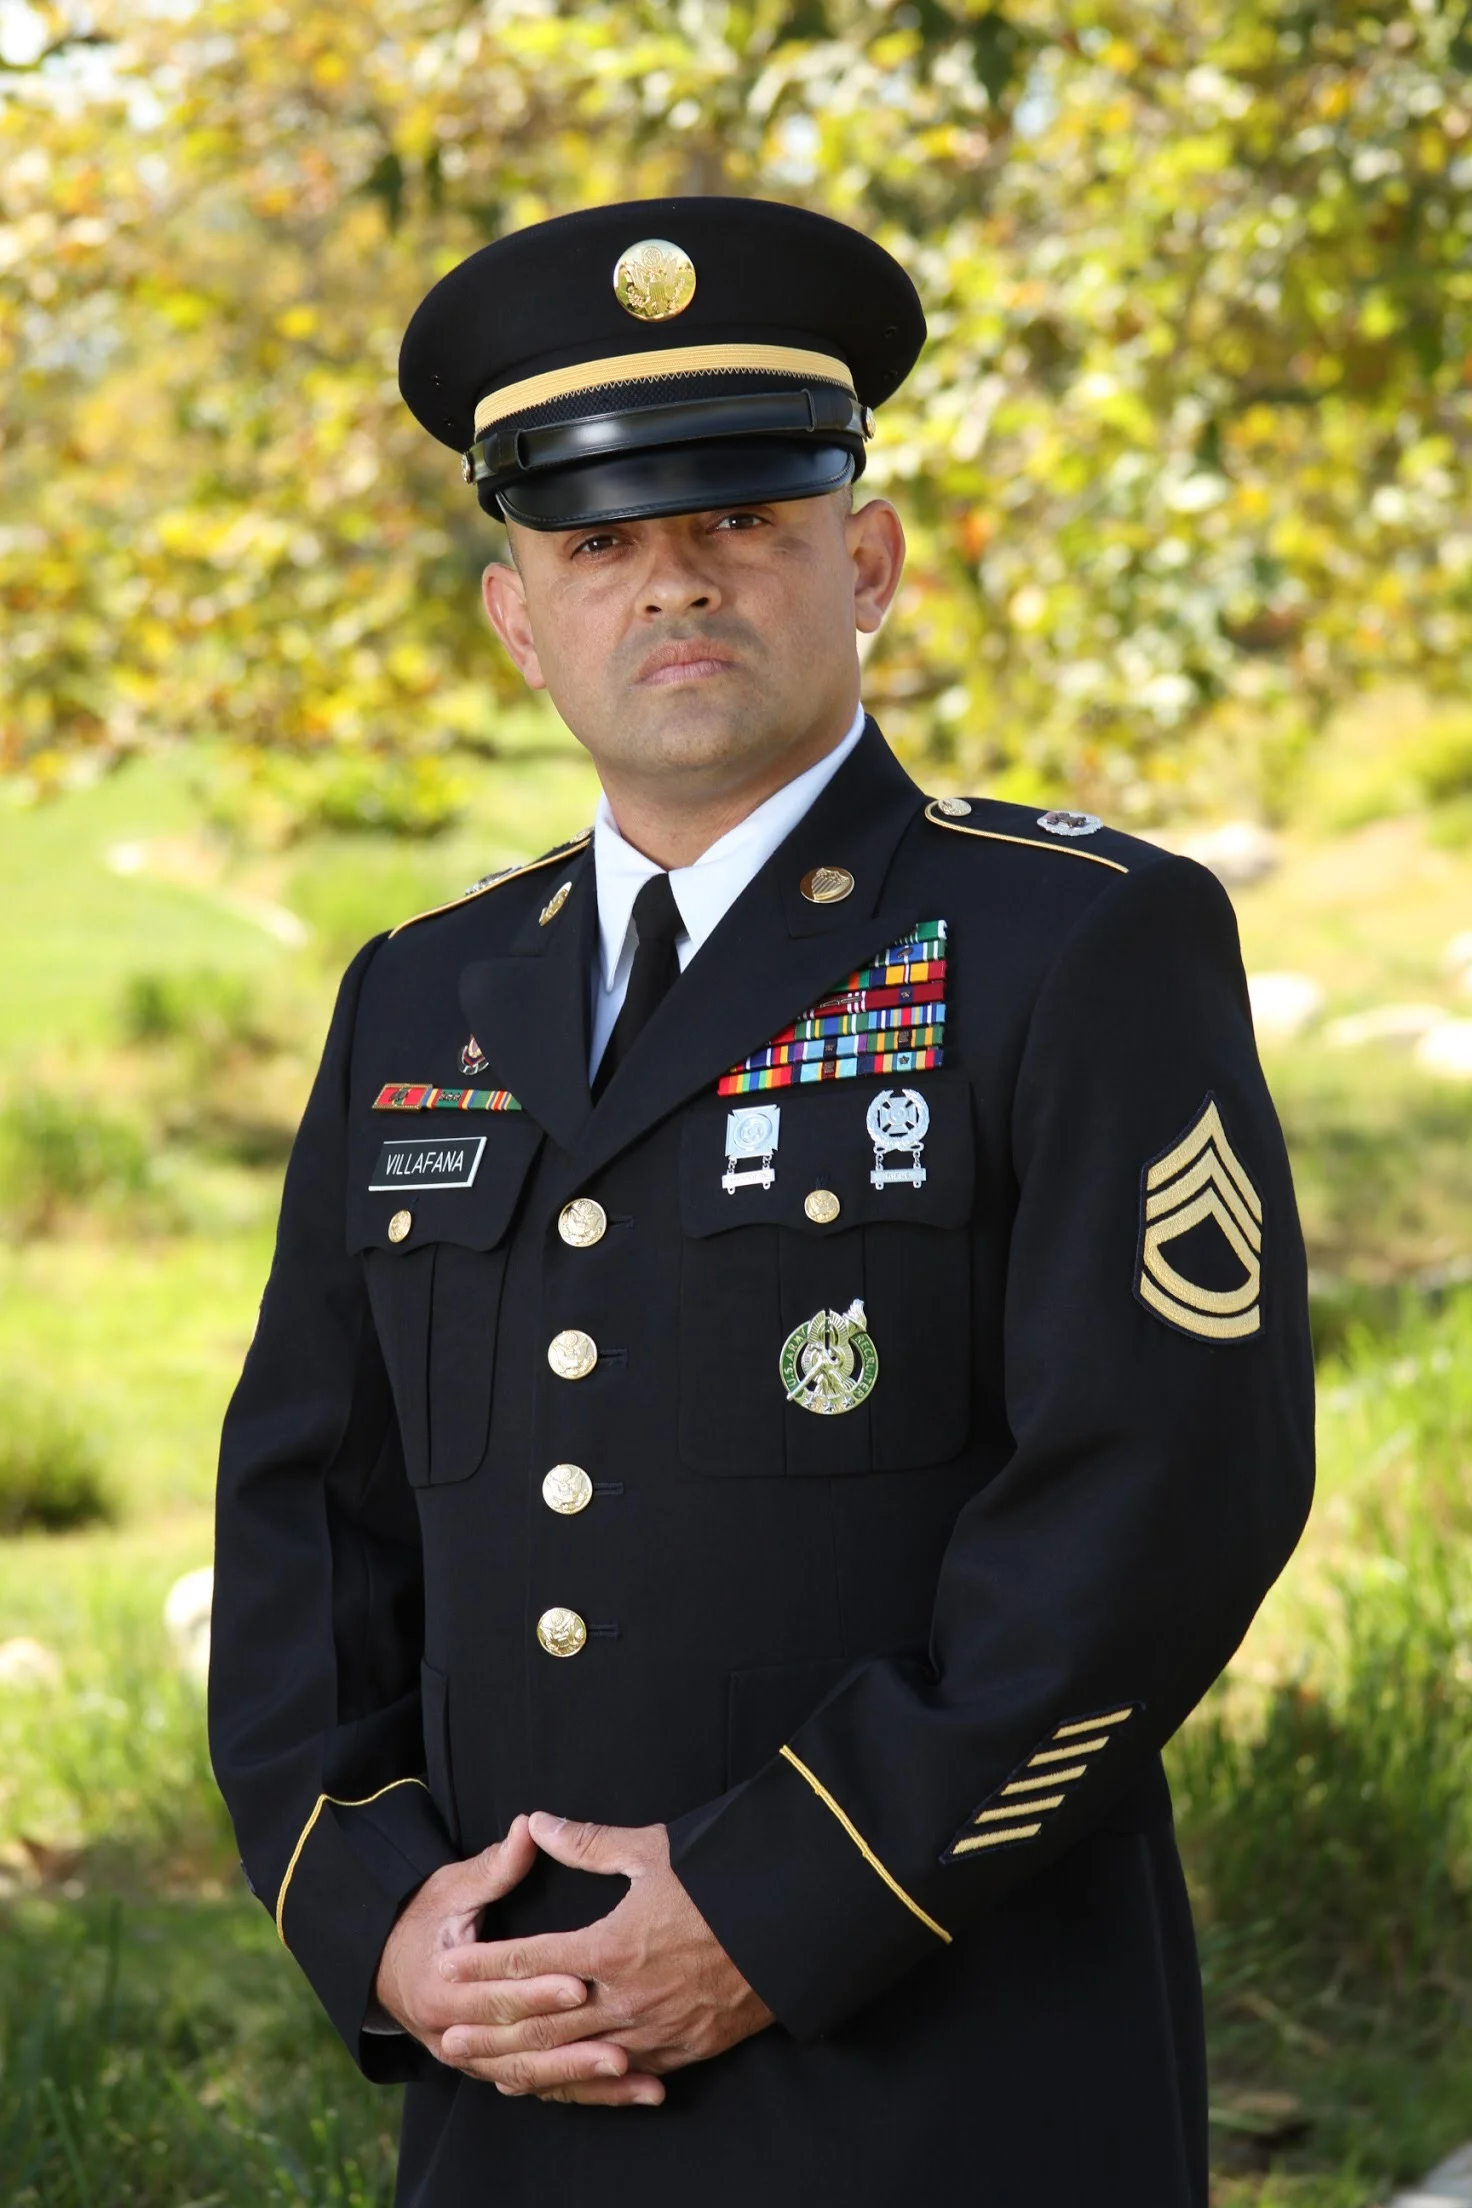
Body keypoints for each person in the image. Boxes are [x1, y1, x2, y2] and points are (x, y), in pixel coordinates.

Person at [209, 196, 1315, 2208]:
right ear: (516, 617)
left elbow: (1162, 1496)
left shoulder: (1076, 944)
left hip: (937, 2063)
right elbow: (306, 1509)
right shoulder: (421, 995)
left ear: (865, 561)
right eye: (601, 543)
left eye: (738, 525)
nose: (671, 590)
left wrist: (777, 1899)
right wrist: (371, 1917)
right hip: (512, 2075)